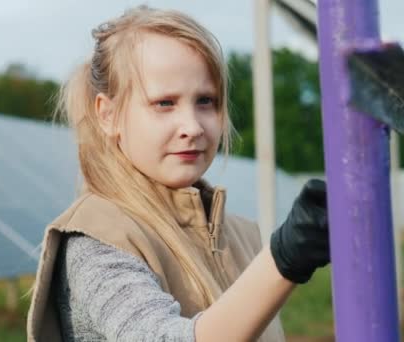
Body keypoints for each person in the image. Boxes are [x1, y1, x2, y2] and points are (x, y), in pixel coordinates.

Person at [27, 5, 330, 342]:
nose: (192, 126)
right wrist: (284, 259)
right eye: (164, 103)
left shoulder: (242, 235)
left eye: (206, 101)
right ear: (108, 115)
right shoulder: (95, 240)